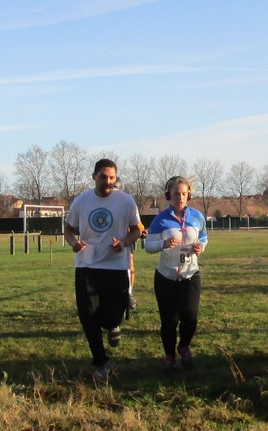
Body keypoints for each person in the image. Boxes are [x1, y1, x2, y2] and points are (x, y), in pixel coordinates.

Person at [65, 159, 143, 383]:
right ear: (94, 176)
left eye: (112, 178)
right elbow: (68, 229)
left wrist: (124, 242)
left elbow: (137, 230)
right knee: (88, 316)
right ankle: (100, 363)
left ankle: (113, 325)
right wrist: (74, 243)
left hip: (115, 265)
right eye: (103, 177)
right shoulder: (82, 201)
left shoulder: (126, 201)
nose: (108, 182)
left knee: (113, 314)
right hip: (87, 265)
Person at [142, 175, 208, 371]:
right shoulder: (160, 220)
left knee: (190, 315)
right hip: (166, 276)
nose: (180, 198)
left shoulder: (197, 216)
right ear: (168, 195)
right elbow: (148, 246)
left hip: (190, 274)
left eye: (184, 194)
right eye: (176, 194)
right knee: (169, 320)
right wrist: (162, 244)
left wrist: (200, 247)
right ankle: (169, 356)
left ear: (189, 195)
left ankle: (184, 346)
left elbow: (204, 237)